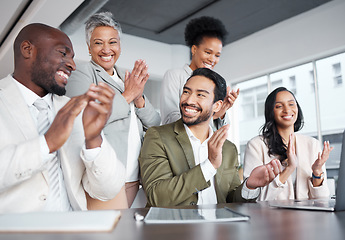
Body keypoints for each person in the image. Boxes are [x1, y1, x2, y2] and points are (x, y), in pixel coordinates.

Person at [0, 23, 125, 213]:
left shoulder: (75, 109)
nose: (72, 65)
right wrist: (47, 143)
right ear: (27, 50)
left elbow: (107, 190)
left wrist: (94, 140)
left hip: (74, 230)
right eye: (63, 53)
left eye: (72, 57)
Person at [139, 68, 281, 207]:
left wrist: (250, 185)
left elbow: (231, 199)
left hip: (218, 228)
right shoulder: (158, 136)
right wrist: (210, 165)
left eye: (200, 95)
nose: (189, 100)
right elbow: (157, 196)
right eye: (186, 92)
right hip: (177, 228)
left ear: (217, 106)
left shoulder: (228, 148)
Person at [65, 12, 161, 208]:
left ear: (120, 46)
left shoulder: (125, 79)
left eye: (112, 42)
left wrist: (139, 97)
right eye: (99, 43)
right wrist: (128, 95)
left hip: (134, 177)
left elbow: (155, 124)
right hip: (105, 177)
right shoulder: (83, 74)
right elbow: (83, 119)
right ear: (89, 48)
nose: (106, 49)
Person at [243, 87, 333, 201]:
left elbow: (322, 199)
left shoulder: (312, 144)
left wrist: (317, 172)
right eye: (279, 106)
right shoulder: (256, 145)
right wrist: (289, 168)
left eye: (291, 104)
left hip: (307, 217)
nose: (287, 110)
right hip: (271, 217)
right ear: (271, 112)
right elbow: (253, 199)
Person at [160, 16, 239, 129]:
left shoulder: (215, 83)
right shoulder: (175, 75)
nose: (212, 59)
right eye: (208, 52)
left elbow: (221, 132)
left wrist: (221, 111)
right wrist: (213, 115)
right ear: (194, 50)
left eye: (217, 55)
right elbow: (170, 119)